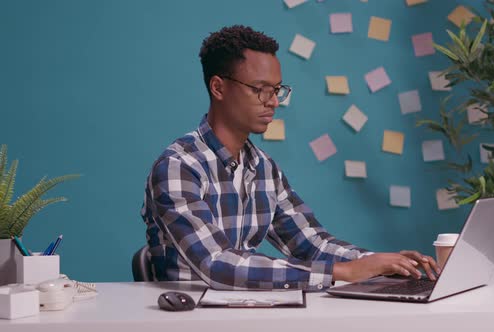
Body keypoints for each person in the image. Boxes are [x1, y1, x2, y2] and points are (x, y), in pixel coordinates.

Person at [141, 25, 440, 291]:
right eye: (260, 90)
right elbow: (216, 265)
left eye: (277, 90)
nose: (273, 102)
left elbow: (311, 243)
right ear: (218, 87)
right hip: (188, 318)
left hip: (249, 312)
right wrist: (342, 272)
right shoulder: (179, 167)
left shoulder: (263, 168)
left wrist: (378, 262)